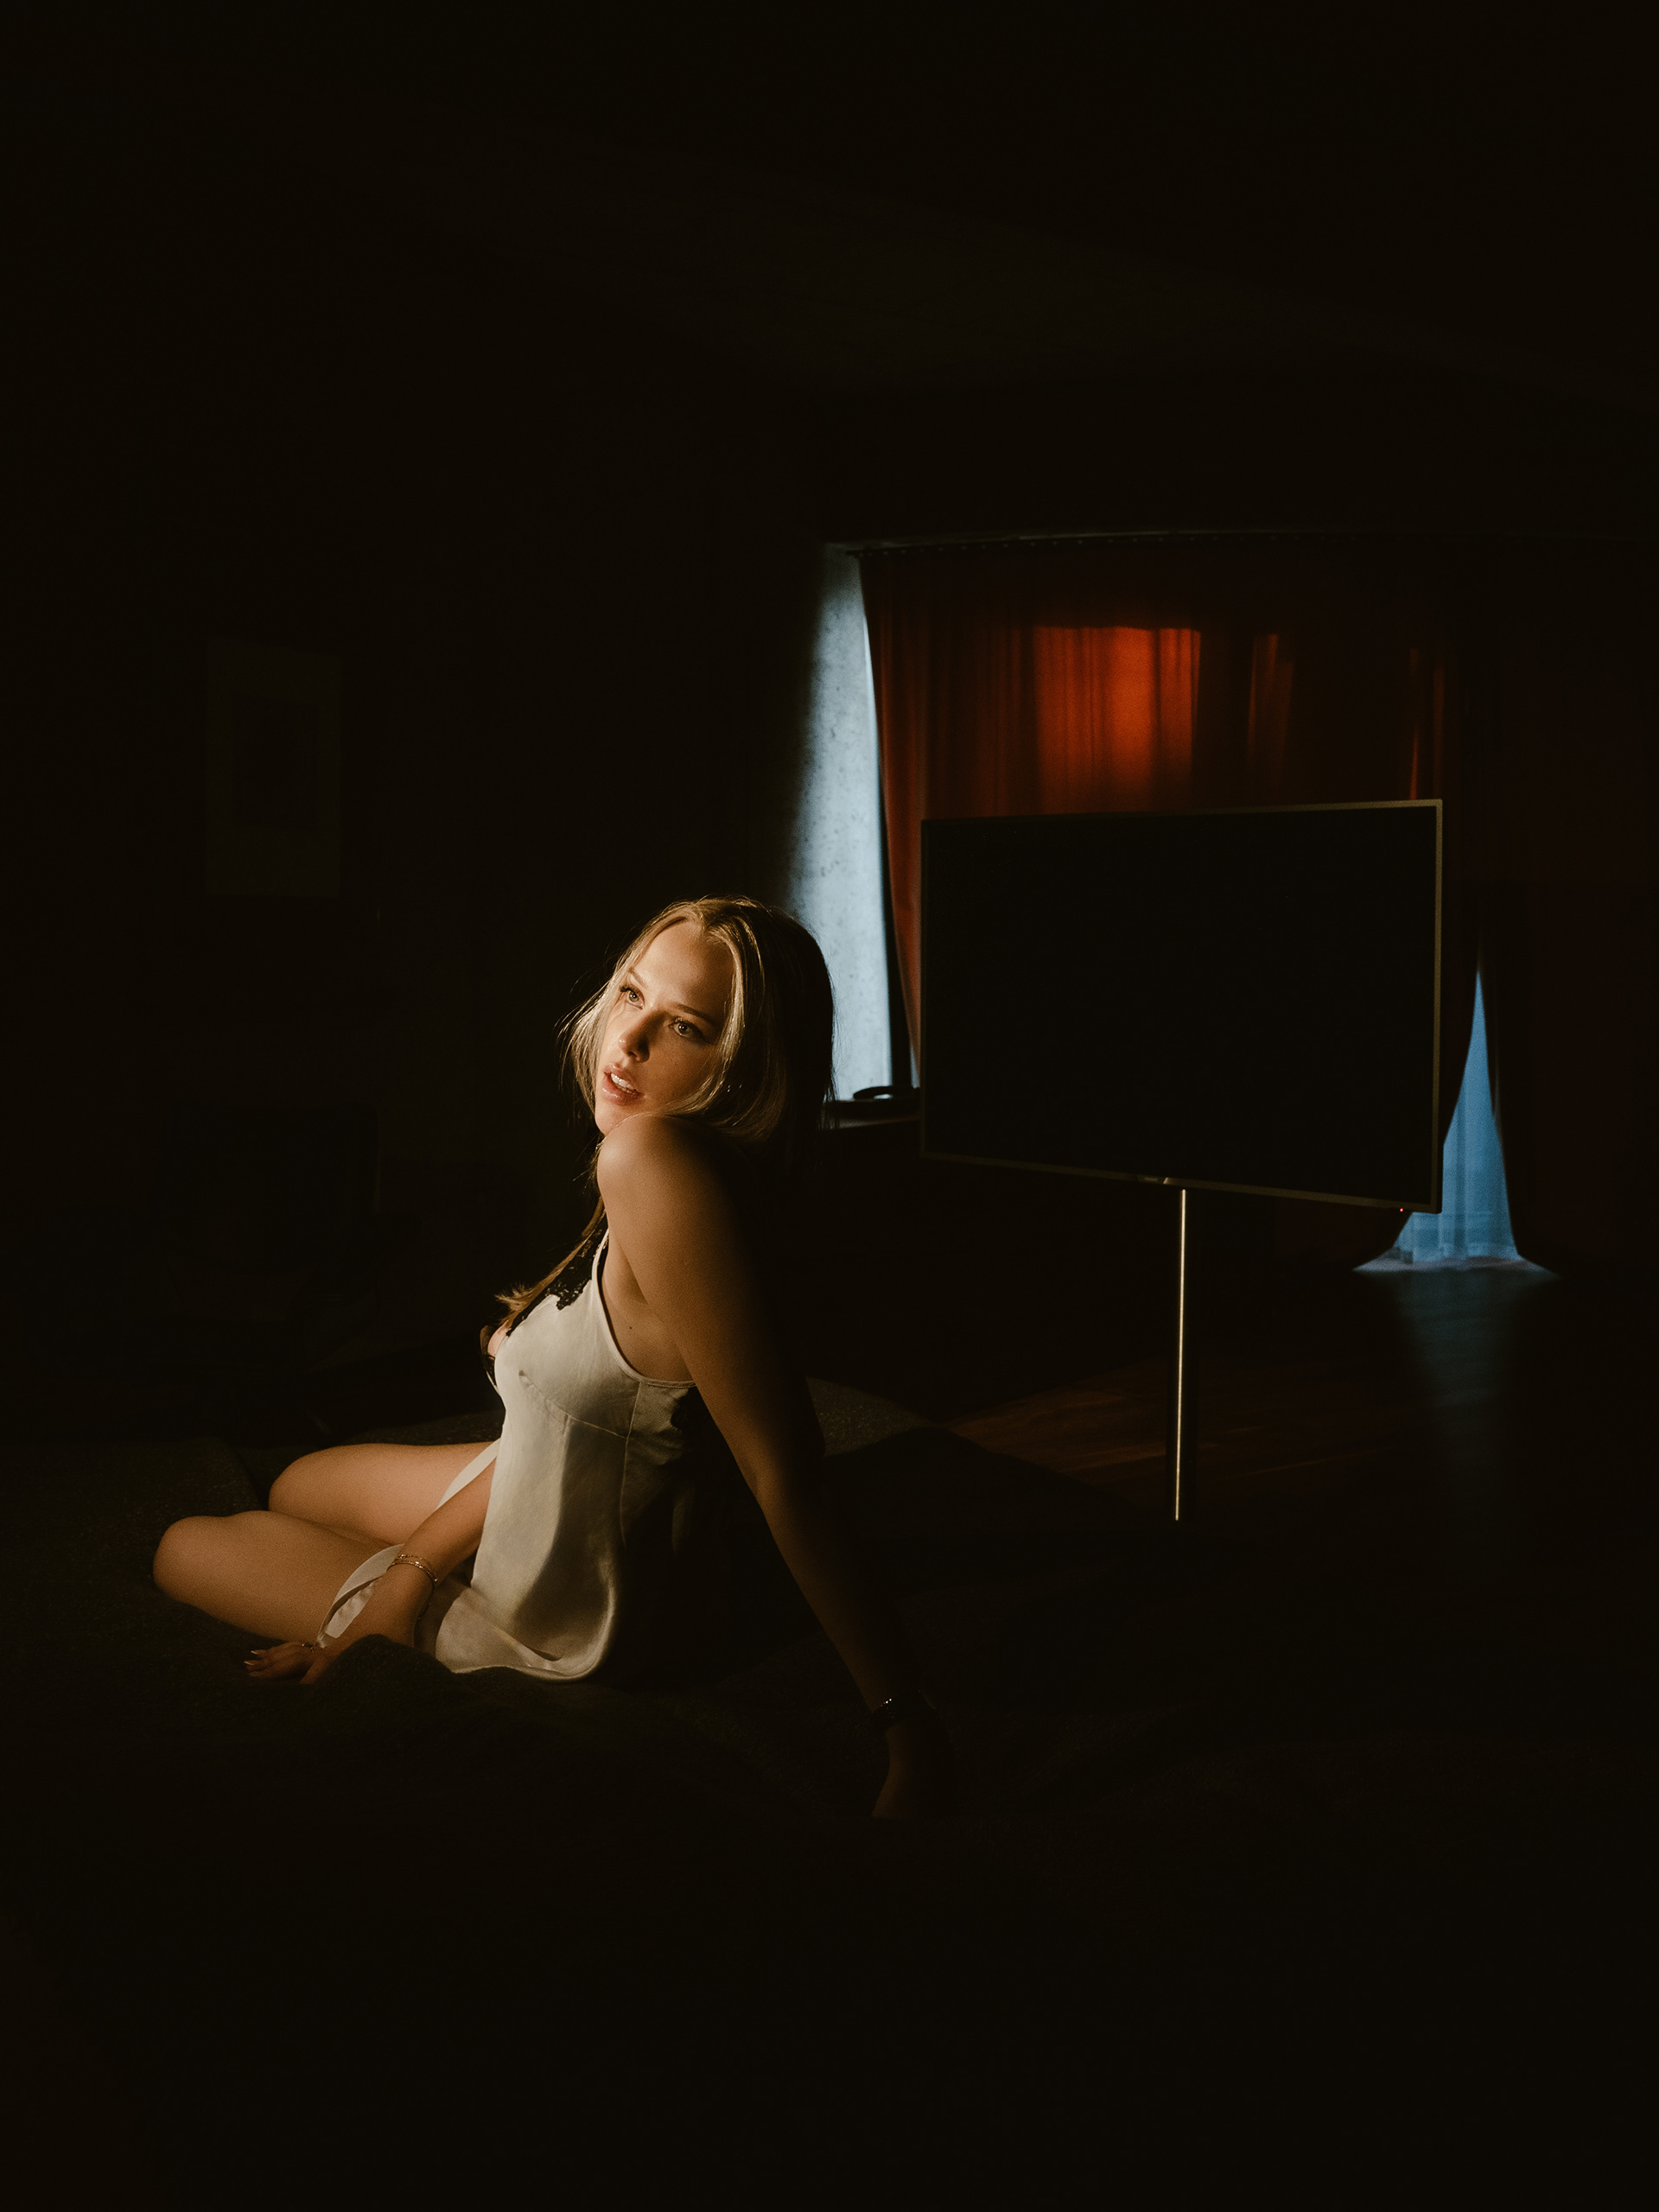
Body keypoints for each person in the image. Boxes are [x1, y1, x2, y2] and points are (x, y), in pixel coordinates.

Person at [153, 896, 954, 1818]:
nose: (629, 1039)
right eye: (632, 995)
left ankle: (434, 1598)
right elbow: (569, 1421)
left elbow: (788, 1473)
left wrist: (903, 1722)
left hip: (579, 1615)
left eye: (684, 1026)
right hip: (579, 1494)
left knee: (186, 1545)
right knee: (300, 1486)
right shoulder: (694, 1165)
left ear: (744, 1068)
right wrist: (408, 1576)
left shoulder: (651, 1158)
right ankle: (404, 1574)